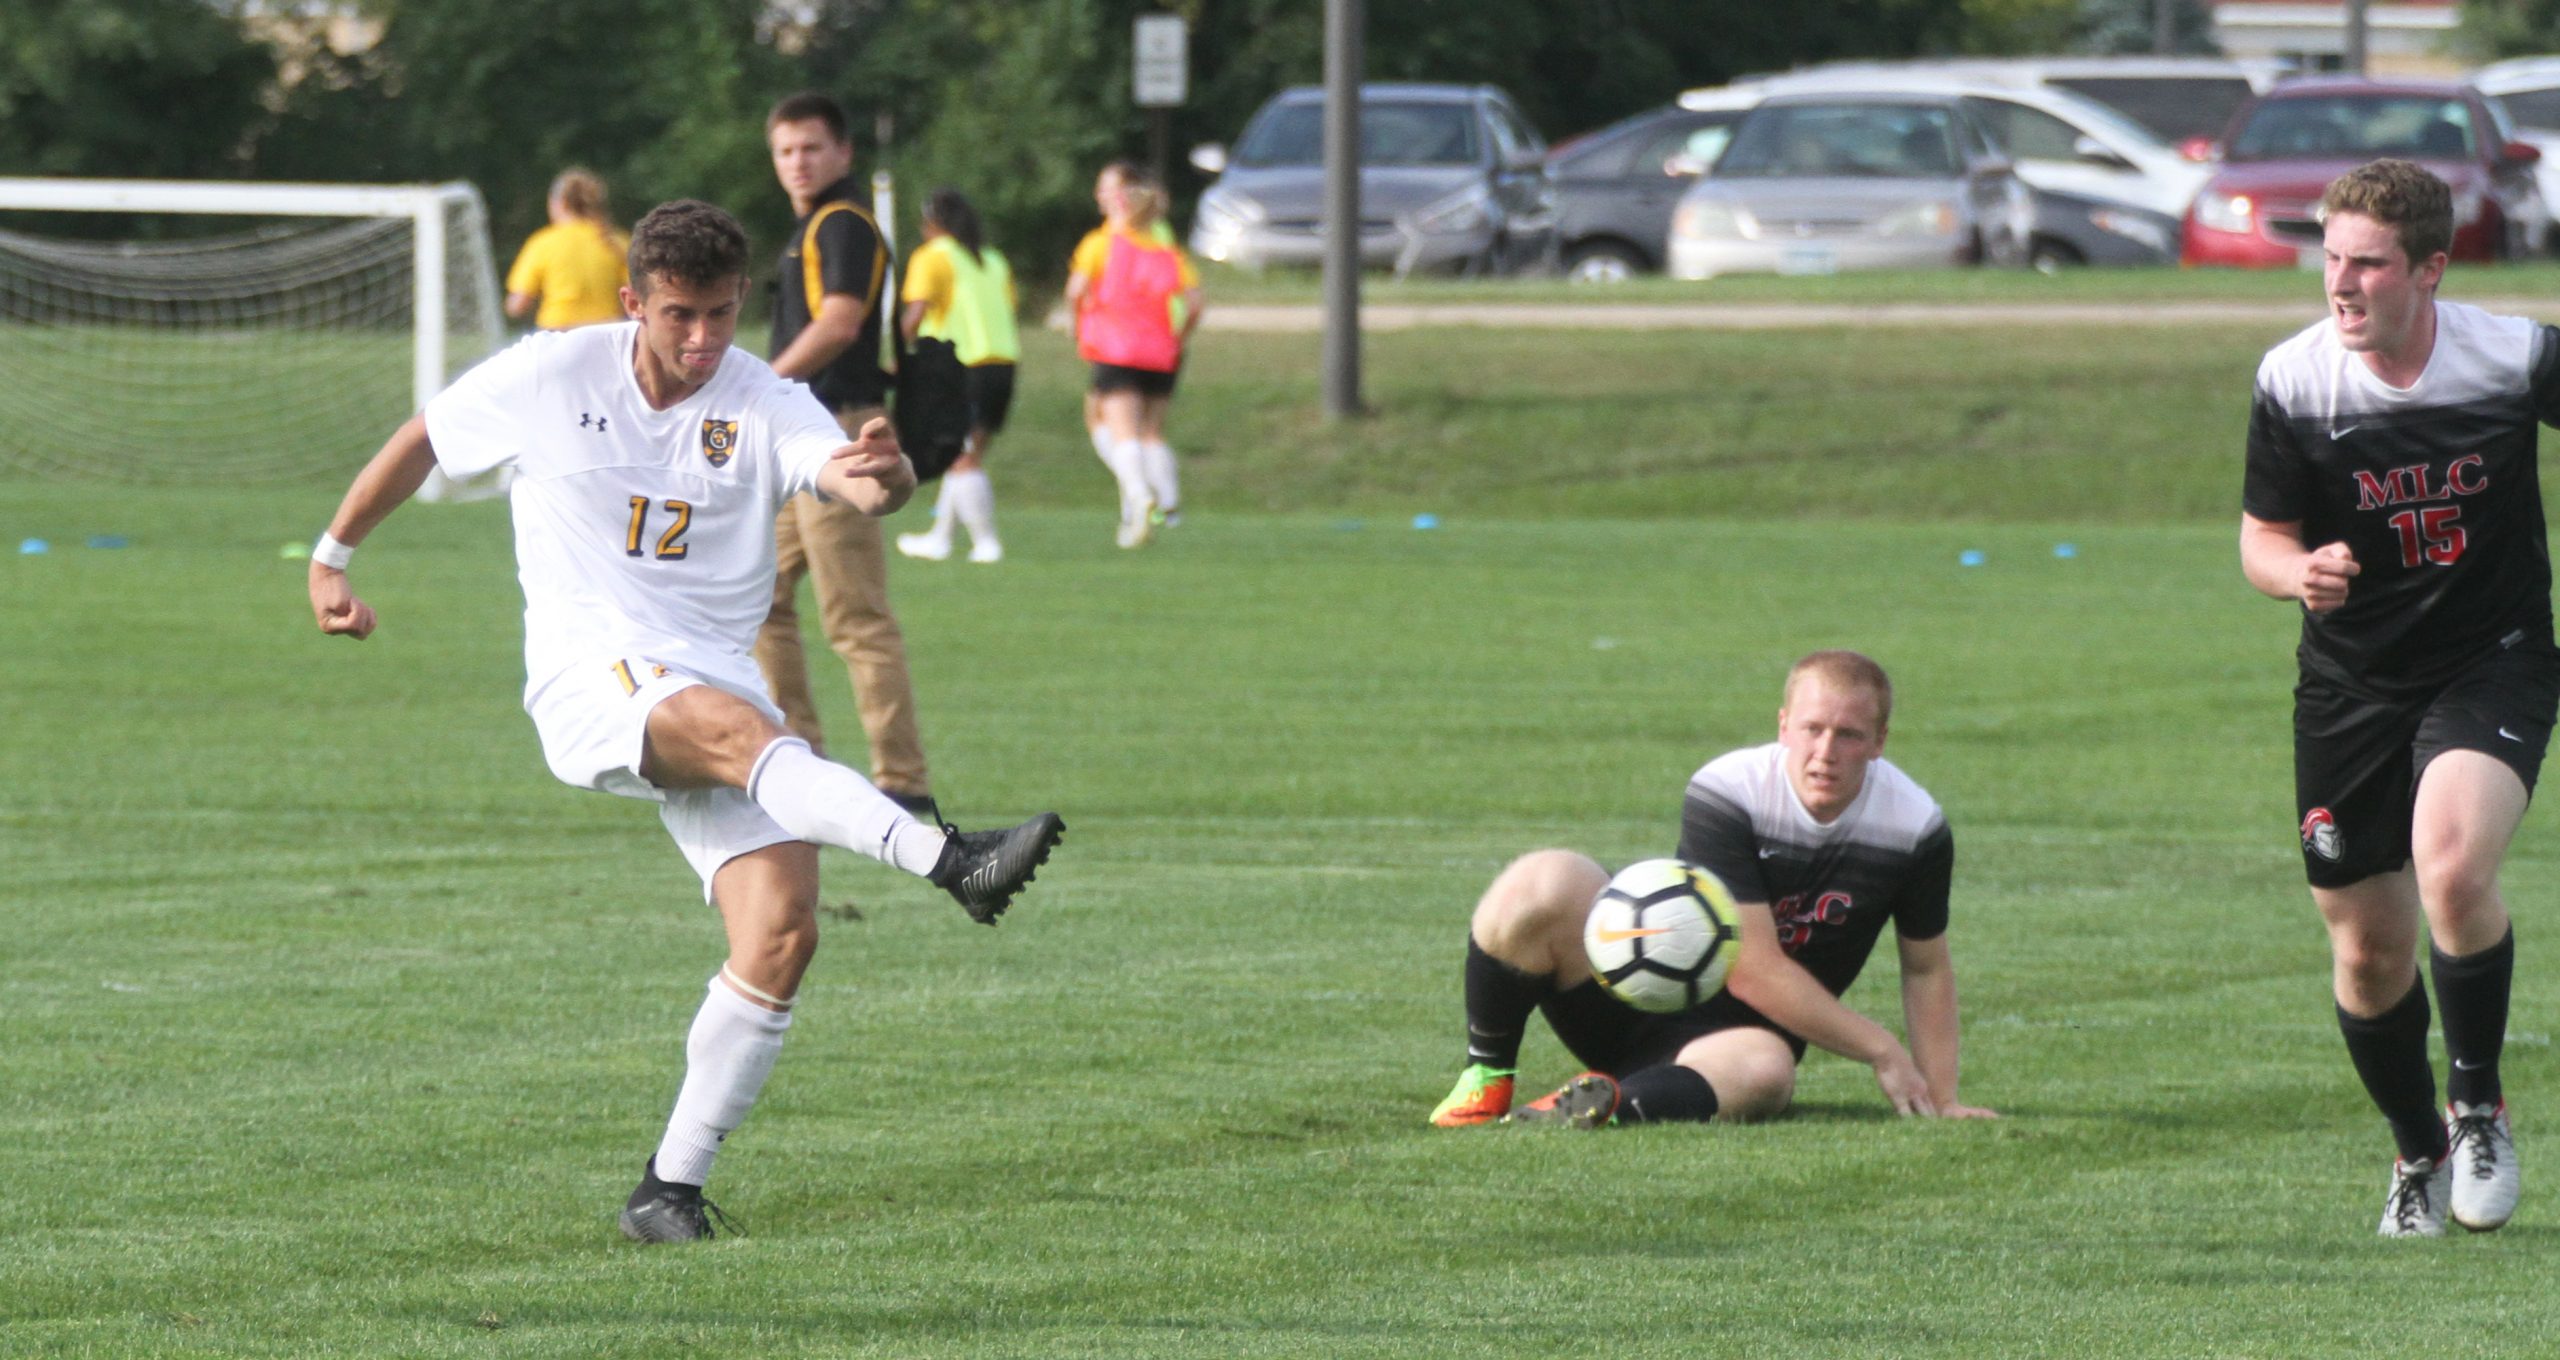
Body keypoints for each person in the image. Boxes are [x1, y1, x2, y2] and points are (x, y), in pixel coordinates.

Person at [305, 199, 1067, 1243]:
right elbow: (424, 440)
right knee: (748, 738)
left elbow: (839, 475)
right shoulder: (551, 372)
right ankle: (947, 859)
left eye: (719, 313)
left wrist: (885, 470)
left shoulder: (765, 397)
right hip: (589, 674)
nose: (702, 339)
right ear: (634, 304)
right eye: (678, 316)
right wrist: (332, 558)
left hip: (712, 677)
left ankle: (667, 1188)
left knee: (783, 927)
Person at [2240, 158, 2551, 1238]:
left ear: (2429, 268)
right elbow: (2259, 538)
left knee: (2452, 864)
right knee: (2368, 950)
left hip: (2491, 658)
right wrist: (2296, 573)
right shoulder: (2292, 379)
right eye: (2328, 258)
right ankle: (2416, 1147)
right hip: (2349, 685)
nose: (2340, 283)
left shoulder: (2509, 358)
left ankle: (2478, 1110)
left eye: (2366, 263)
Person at [1429, 651, 1995, 1131]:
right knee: (1545, 877)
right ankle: (1487, 1078)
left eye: (1848, 735)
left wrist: (1943, 1099)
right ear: (1782, 726)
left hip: (1738, 1045)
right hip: (1628, 999)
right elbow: (1749, 965)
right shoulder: (1731, 791)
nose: (1825, 751)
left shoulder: (1914, 829)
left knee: (1770, 1074)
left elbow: (1925, 967)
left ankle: (1594, 1105)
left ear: (1879, 742)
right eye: (1812, 729)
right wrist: (1880, 1047)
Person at [757, 92, 932, 808]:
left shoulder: (843, 224)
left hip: (838, 431)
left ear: (843, 153)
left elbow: (839, 322)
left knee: (855, 617)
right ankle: (797, 754)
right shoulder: (813, 226)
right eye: (785, 151)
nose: (798, 162)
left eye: (811, 148)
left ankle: (902, 781)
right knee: (756, 600)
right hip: (799, 437)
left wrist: (757, 385)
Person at [1066, 161, 1201, 548]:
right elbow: (1194, 301)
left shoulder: (1103, 242)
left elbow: (1077, 291)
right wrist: (1180, 336)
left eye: (1109, 189)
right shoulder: (1164, 243)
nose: (1103, 196)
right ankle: (1167, 506)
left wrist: (1079, 326)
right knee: (1150, 432)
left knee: (1116, 428)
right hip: (1163, 349)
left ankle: (1139, 496)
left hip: (1116, 346)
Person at [894, 188, 1020, 566]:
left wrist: (897, 355)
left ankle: (986, 543)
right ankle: (941, 538)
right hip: (1003, 360)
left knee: (959, 457)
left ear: (932, 223)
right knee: (964, 453)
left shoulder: (933, 256)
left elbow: (916, 313)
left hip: (961, 362)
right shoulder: (992, 260)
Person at [503, 168, 630, 330]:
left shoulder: (543, 242)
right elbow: (637, 291)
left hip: (558, 330)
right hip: (608, 330)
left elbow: (517, 306)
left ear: (560, 203)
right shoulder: (616, 240)